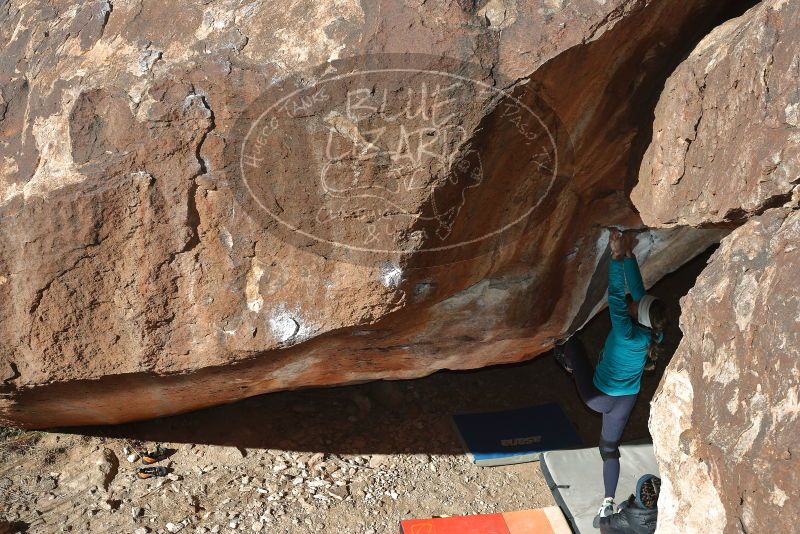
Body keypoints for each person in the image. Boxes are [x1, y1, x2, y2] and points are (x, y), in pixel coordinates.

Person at [553, 229, 667, 527]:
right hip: (624, 402)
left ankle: (567, 362)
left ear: (634, 315)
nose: (631, 301)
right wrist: (629, 256)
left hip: (596, 395)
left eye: (633, 305)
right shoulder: (654, 331)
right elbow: (640, 294)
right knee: (608, 450)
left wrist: (615, 256)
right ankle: (607, 503)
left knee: (571, 344)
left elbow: (617, 295)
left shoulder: (624, 331)